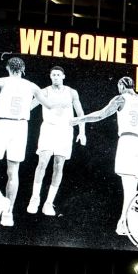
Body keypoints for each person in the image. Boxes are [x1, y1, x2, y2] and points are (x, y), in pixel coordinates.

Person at [0, 56, 59, 228]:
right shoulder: (32, 86)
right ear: (23, 70)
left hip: (2, 124)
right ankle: (8, 214)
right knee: (13, 171)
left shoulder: (0, 81)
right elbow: (49, 105)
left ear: (8, 69)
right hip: (21, 128)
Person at [71, 76, 138, 236]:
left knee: (129, 186)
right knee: (132, 185)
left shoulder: (121, 98)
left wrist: (80, 119)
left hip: (129, 140)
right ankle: (124, 222)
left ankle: (125, 222)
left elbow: (101, 115)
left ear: (121, 86)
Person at [26, 66, 86, 217]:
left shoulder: (72, 92)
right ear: (50, 76)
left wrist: (82, 132)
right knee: (43, 162)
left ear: (63, 76)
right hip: (49, 129)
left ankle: (48, 203)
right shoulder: (44, 91)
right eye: (53, 75)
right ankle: (35, 198)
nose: (56, 77)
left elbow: (80, 113)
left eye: (58, 75)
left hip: (65, 131)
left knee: (59, 165)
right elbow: (29, 107)